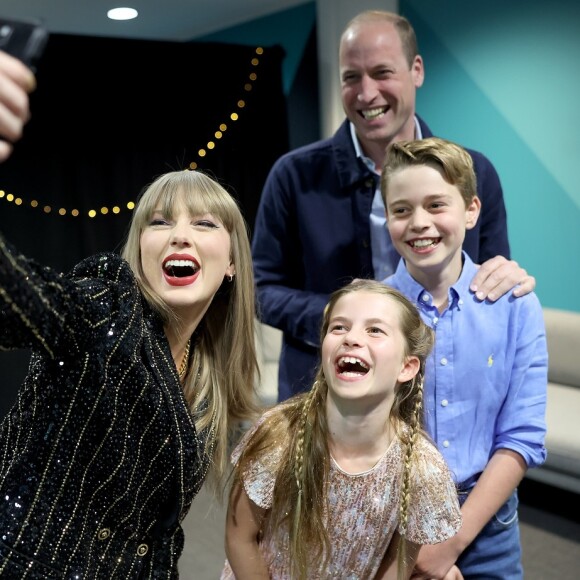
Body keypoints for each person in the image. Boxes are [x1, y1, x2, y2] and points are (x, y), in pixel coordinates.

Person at [0, 51, 261, 578]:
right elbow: (18, 301)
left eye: (205, 224)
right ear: (139, 248)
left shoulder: (205, 367)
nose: (180, 234)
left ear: (232, 262)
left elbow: (152, 535)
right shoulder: (105, 305)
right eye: (160, 222)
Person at [251, 9, 536, 402]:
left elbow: (489, 280)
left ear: (416, 70)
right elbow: (260, 290)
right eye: (351, 77)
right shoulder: (292, 176)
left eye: (382, 73)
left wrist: (507, 277)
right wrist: (345, 318)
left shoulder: (476, 172)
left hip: (445, 395)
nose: (366, 94)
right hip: (323, 395)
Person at [380, 136, 548, 579]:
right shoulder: (370, 309)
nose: (419, 223)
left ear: (471, 210)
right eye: (402, 210)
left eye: (437, 205)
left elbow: (522, 436)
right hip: (392, 521)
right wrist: (416, 547)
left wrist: (449, 545)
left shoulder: (516, 306)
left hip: (489, 523)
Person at [222, 279, 463, 580]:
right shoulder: (279, 435)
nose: (351, 338)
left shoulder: (421, 469)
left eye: (375, 330)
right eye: (338, 327)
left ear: (407, 367)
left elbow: (398, 566)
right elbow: (240, 536)